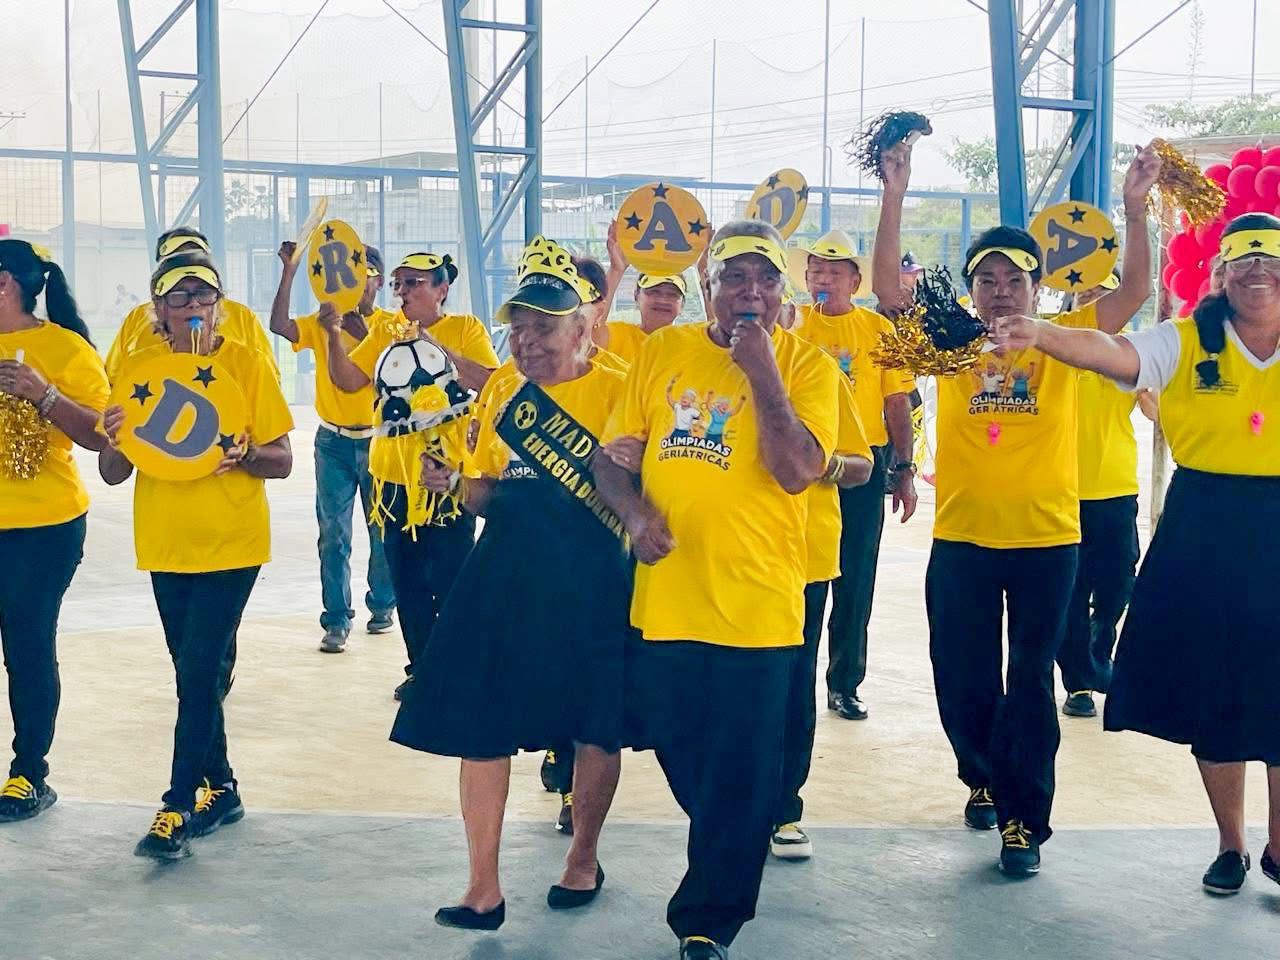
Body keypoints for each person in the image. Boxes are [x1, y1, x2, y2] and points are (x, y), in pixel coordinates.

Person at [872, 138, 1161, 877]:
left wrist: (1135, 210)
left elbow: (1132, 292)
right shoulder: (952, 344)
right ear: (973, 289)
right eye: (987, 279)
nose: (1001, 291)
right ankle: (983, 774)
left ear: (1036, 287)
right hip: (963, 540)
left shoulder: (1061, 344)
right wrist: (895, 195)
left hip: (1046, 543)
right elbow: (892, 295)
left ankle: (1022, 822)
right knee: (961, 674)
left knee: (1030, 680)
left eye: (1014, 279)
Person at [988, 211, 1280, 898]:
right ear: (1221, 274)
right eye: (1243, 260)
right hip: (1205, 525)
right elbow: (1109, 351)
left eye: (1270, 260)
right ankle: (1231, 845)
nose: (1258, 273)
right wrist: (1042, 333)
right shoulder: (1186, 340)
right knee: (1216, 689)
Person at [596, 220, 840, 960]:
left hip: (759, 605)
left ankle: (707, 917)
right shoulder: (661, 352)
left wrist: (762, 371)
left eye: (765, 278)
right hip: (667, 597)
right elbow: (610, 461)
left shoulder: (806, 366)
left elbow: (797, 470)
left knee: (740, 768)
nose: (750, 291)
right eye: (735, 276)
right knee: (677, 744)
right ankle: (733, 832)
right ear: (708, 286)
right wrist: (636, 514)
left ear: (783, 291)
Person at [391, 235, 629, 930]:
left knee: (596, 724)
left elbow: (636, 492)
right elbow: (488, 494)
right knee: (480, 721)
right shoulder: (501, 388)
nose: (526, 342)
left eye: (542, 327)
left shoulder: (622, 385)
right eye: (518, 328)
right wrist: (454, 485)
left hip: (592, 577)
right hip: (504, 573)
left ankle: (583, 857)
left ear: (582, 326)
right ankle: (482, 887)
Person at [99, 252, 293, 860]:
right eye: (177, 297)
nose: (191, 307)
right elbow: (112, 472)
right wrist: (114, 437)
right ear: (156, 308)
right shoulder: (139, 368)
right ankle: (224, 789)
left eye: (202, 296)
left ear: (219, 305)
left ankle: (177, 805)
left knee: (200, 670)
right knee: (193, 672)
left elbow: (283, 460)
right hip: (165, 543)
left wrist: (247, 456)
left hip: (232, 542)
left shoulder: (246, 362)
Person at [323, 252, 498, 700]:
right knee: (407, 580)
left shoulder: (466, 329)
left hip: (448, 480)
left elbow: (492, 383)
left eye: (414, 282)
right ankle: (421, 669)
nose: (402, 292)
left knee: (453, 578)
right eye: (398, 284)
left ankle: (457, 668)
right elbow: (349, 380)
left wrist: (436, 349)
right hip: (392, 479)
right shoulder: (385, 330)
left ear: (442, 289)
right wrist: (332, 336)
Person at [790, 228, 917, 720]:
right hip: (806, 464)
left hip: (862, 466)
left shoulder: (877, 330)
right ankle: (793, 678)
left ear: (855, 281)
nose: (824, 280)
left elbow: (896, 401)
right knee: (804, 576)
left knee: (856, 577)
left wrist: (904, 469)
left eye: (834, 272)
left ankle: (844, 683)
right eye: (816, 271)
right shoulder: (793, 325)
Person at [0, 240, 108, 822]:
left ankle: (28, 773)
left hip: (42, 527)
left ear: (8, 284)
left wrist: (43, 394)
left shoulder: (66, 348)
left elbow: (100, 436)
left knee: (27, 647)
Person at [269, 241, 396, 653]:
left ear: (377, 281)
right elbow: (280, 326)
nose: (357, 283)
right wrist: (289, 271)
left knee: (382, 530)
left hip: (378, 440)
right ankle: (337, 619)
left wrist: (349, 329)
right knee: (333, 534)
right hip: (333, 442)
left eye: (365, 275)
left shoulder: (390, 326)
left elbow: (389, 364)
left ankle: (383, 603)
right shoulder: (323, 320)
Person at [771, 374, 873, 860]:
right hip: (720, 560)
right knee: (722, 688)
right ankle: (726, 808)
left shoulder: (817, 370)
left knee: (793, 682)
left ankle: (784, 808)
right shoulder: (692, 361)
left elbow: (861, 466)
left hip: (802, 559)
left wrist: (823, 465)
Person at [1055, 270, 1152, 719]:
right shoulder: (1055, 349)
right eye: (1086, 294)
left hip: (1115, 488)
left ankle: (1098, 649)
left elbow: (1158, 413)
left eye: (1103, 295)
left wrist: (1151, 389)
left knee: (1117, 584)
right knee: (1070, 591)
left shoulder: (1129, 356)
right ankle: (1078, 681)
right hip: (1062, 491)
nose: (1094, 302)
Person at [104, 227, 277, 384]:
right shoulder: (137, 318)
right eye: (176, 261)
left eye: (197, 259)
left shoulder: (243, 317)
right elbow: (114, 378)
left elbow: (268, 380)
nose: (193, 303)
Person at [605, 272, 687, 364]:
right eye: (654, 292)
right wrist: (616, 270)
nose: (663, 300)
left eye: (672, 294)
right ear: (636, 297)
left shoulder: (690, 345)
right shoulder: (617, 335)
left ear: (682, 305)